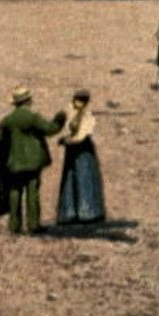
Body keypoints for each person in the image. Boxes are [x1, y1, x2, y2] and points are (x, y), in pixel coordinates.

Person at [0, 86, 66, 234]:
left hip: (14, 163)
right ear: (28, 101)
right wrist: (60, 119)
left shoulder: (7, 120)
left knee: (14, 193)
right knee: (32, 193)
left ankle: (14, 225)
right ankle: (33, 225)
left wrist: (4, 156)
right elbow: (50, 129)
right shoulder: (32, 118)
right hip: (33, 163)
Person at [55, 90, 107, 225]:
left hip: (83, 151)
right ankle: (70, 212)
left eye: (80, 100)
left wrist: (66, 141)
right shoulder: (72, 113)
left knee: (85, 178)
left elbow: (80, 137)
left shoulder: (88, 117)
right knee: (70, 179)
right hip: (72, 151)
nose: (76, 103)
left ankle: (89, 212)